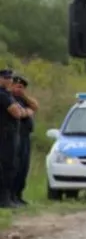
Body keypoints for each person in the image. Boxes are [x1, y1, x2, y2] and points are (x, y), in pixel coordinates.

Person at [0, 69, 30, 208]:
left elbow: (24, 109)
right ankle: (5, 199)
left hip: (12, 135)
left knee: (13, 166)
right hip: (5, 135)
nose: (9, 80)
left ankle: (9, 198)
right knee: (7, 166)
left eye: (10, 78)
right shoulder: (3, 95)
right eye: (6, 78)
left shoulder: (8, 95)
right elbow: (17, 113)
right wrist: (23, 111)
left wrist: (21, 110)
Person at [10, 75, 37, 206]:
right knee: (14, 166)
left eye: (22, 87)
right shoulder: (9, 98)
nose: (19, 89)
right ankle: (11, 195)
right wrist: (27, 112)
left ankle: (18, 195)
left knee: (23, 167)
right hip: (14, 137)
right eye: (17, 86)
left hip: (25, 136)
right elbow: (20, 113)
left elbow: (35, 106)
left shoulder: (23, 99)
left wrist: (24, 96)